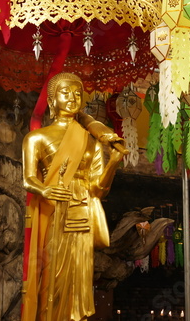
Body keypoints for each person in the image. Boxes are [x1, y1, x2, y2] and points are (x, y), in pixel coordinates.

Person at [22, 72, 126, 321]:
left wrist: (113, 161)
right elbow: (28, 179)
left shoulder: (91, 141)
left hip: (83, 208)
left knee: (80, 276)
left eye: (78, 94)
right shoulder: (36, 137)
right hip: (55, 207)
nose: (72, 98)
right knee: (52, 274)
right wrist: (45, 190)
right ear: (52, 100)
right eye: (65, 93)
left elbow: (99, 189)